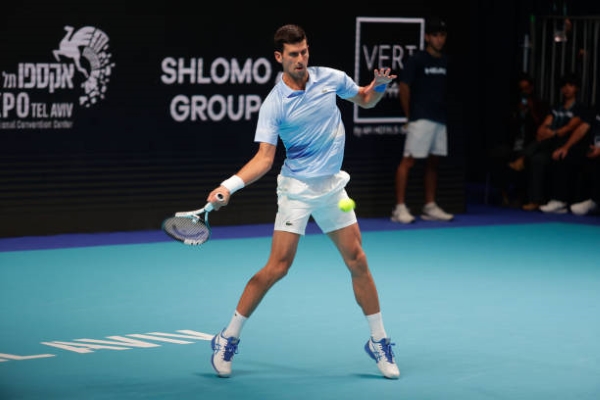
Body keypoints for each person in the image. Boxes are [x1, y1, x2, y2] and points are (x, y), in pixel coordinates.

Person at [204, 24, 400, 380]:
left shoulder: (330, 78)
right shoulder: (274, 104)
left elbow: (366, 98)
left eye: (305, 51)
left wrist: (381, 86)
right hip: (296, 189)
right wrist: (229, 186)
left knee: (358, 259)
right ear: (279, 57)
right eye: (293, 54)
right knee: (278, 267)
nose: (301, 59)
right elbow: (264, 158)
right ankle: (226, 337)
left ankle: (379, 340)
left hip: (332, 188)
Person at [391, 16, 453, 224]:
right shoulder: (417, 60)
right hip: (420, 118)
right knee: (408, 161)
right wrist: (410, 115)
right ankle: (399, 208)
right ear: (427, 37)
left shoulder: (445, 61)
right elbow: (404, 87)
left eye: (442, 35)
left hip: (440, 119)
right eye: (435, 35)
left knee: (433, 162)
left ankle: (429, 205)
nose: (439, 39)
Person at [517, 73, 585, 211]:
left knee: (548, 141)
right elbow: (543, 126)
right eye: (564, 86)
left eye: (570, 86)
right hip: (548, 144)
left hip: (565, 144)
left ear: (576, 88)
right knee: (538, 159)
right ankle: (536, 200)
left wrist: (552, 132)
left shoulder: (580, 108)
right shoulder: (556, 107)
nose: (566, 89)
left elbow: (568, 128)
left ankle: (521, 158)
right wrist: (546, 130)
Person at [488, 73, 549, 206]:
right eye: (521, 89)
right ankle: (503, 194)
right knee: (498, 153)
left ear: (531, 88)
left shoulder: (540, 105)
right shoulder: (513, 105)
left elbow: (541, 129)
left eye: (526, 89)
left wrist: (532, 111)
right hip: (513, 145)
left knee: (532, 156)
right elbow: (505, 127)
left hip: (531, 145)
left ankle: (522, 195)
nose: (524, 93)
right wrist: (517, 113)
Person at [569, 108, 600, 215]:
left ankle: (596, 201)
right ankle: (561, 200)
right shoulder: (596, 109)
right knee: (569, 154)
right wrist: (566, 147)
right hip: (594, 148)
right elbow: (583, 128)